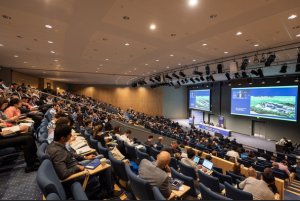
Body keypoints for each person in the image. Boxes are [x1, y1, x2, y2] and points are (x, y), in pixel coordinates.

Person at [45, 124, 122, 199]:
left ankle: (103, 186)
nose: (71, 136)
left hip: (75, 165)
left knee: (101, 157)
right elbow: (63, 174)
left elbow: (71, 155)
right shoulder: (58, 152)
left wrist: (85, 157)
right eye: (69, 135)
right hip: (76, 175)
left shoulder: (55, 144)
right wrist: (77, 167)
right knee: (107, 163)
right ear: (62, 138)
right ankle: (110, 192)